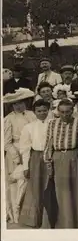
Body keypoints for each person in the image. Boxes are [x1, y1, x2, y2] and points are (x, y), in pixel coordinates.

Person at [43, 99, 78, 228]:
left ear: (72, 111)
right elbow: (48, 144)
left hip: (75, 156)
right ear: (58, 112)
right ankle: (66, 224)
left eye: (68, 111)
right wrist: (48, 163)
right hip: (58, 157)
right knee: (62, 192)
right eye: (62, 112)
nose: (65, 114)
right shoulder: (52, 123)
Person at [4, 88, 37, 223]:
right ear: (12, 105)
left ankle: (28, 214)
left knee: (28, 183)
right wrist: (17, 158)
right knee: (15, 184)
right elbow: (6, 143)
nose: (18, 106)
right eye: (15, 103)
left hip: (31, 150)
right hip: (15, 153)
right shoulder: (8, 119)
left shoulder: (31, 115)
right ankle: (14, 215)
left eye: (21, 102)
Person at [18, 99, 51, 228]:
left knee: (49, 187)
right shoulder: (29, 127)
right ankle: (36, 220)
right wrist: (26, 166)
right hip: (36, 158)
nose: (42, 113)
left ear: (48, 111)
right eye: (39, 111)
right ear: (34, 112)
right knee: (36, 187)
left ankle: (49, 220)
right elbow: (25, 148)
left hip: (50, 157)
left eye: (44, 110)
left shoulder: (53, 123)